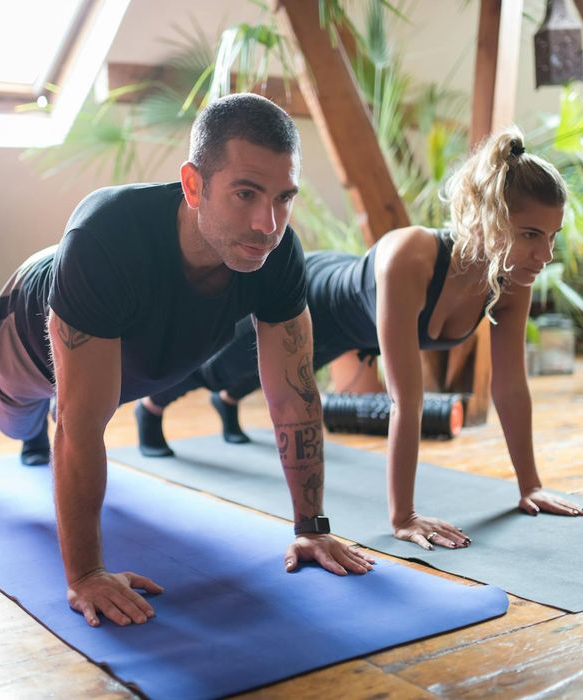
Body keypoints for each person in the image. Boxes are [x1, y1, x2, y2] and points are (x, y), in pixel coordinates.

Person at [0, 93, 374, 629]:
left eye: (284, 198)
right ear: (193, 185)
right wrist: (86, 574)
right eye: (246, 193)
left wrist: (311, 525)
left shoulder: (276, 253)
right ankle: (26, 426)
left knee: (76, 403)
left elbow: (294, 397)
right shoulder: (108, 234)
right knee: (14, 419)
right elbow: (79, 426)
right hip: (26, 335)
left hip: (123, 359)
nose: (268, 223)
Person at [134, 125, 583, 552]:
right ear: (487, 220)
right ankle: (151, 407)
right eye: (529, 235)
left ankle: (228, 401)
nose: (544, 255)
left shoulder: (510, 277)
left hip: (355, 331)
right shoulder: (412, 257)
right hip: (317, 295)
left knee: (269, 376)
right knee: (222, 366)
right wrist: (403, 517)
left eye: (550, 237)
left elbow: (509, 387)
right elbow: (405, 401)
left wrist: (532, 486)